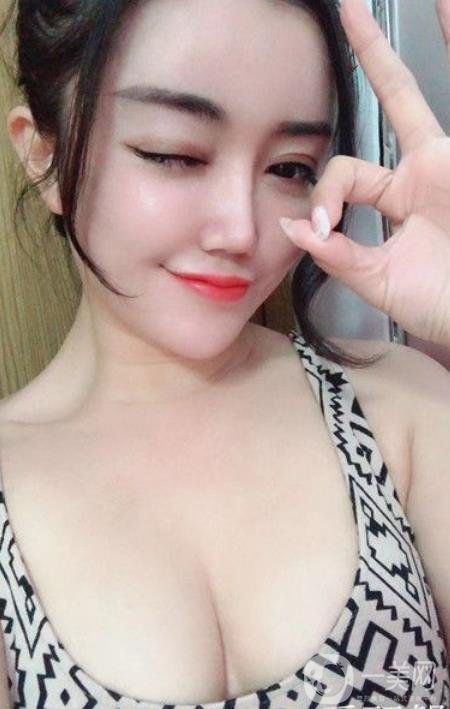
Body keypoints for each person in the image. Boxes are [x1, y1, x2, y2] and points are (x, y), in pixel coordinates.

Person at [0, 0, 449, 707]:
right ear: (43, 154)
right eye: (175, 154)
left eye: (291, 168)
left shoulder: (402, 411)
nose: (241, 230)